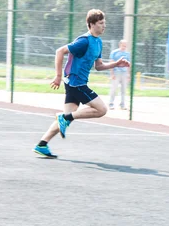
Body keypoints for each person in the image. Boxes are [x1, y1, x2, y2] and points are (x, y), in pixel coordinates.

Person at [33, 9, 130, 158]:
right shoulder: (84, 41)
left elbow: (98, 66)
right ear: (91, 24)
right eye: (101, 23)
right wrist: (58, 76)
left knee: (68, 116)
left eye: (104, 23)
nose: (104, 26)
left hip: (76, 83)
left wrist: (116, 64)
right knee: (102, 110)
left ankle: (42, 144)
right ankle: (64, 118)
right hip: (76, 83)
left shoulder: (98, 42)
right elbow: (60, 51)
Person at [108, 39, 131, 110]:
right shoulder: (114, 53)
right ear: (120, 45)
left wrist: (128, 74)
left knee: (123, 90)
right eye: (123, 45)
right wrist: (112, 74)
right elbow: (111, 63)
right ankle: (111, 104)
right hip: (116, 72)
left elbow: (129, 65)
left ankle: (122, 104)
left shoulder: (127, 54)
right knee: (114, 89)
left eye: (125, 46)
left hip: (124, 73)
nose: (124, 47)